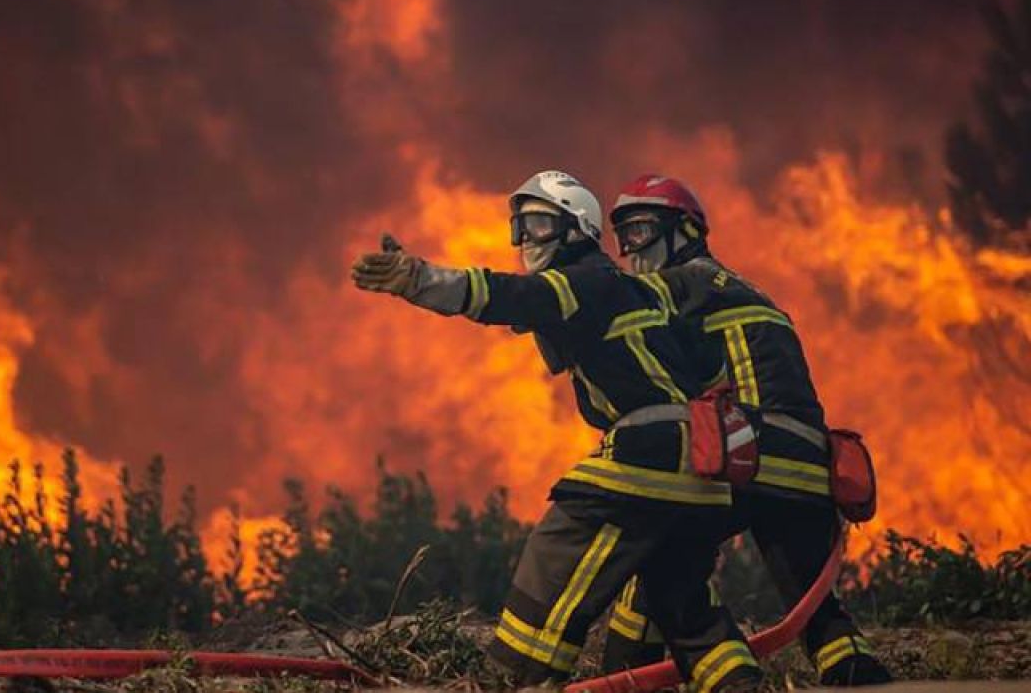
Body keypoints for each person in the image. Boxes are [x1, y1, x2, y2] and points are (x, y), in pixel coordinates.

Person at [351, 170, 763, 692]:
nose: (525, 240)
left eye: (541, 224)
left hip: (651, 449)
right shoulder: (634, 290)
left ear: (578, 230)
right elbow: (706, 369)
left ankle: (520, 677)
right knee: (678, 595)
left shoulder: (584, 278)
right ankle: (738, 681)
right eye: (519, 227)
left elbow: (508, 297)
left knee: (555, 551)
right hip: (702, 467)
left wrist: (418, 279)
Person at [601, 174, 892, 686]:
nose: (630, 249)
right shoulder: (740, 287)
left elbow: (609, 303)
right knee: (808, 591)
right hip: (806, 465)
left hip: (750, 454)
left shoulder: (682, 282)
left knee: (660, 552)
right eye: (622, 237)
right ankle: (851, 664)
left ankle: (666, 671)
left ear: (685, 231)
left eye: (641, 231)